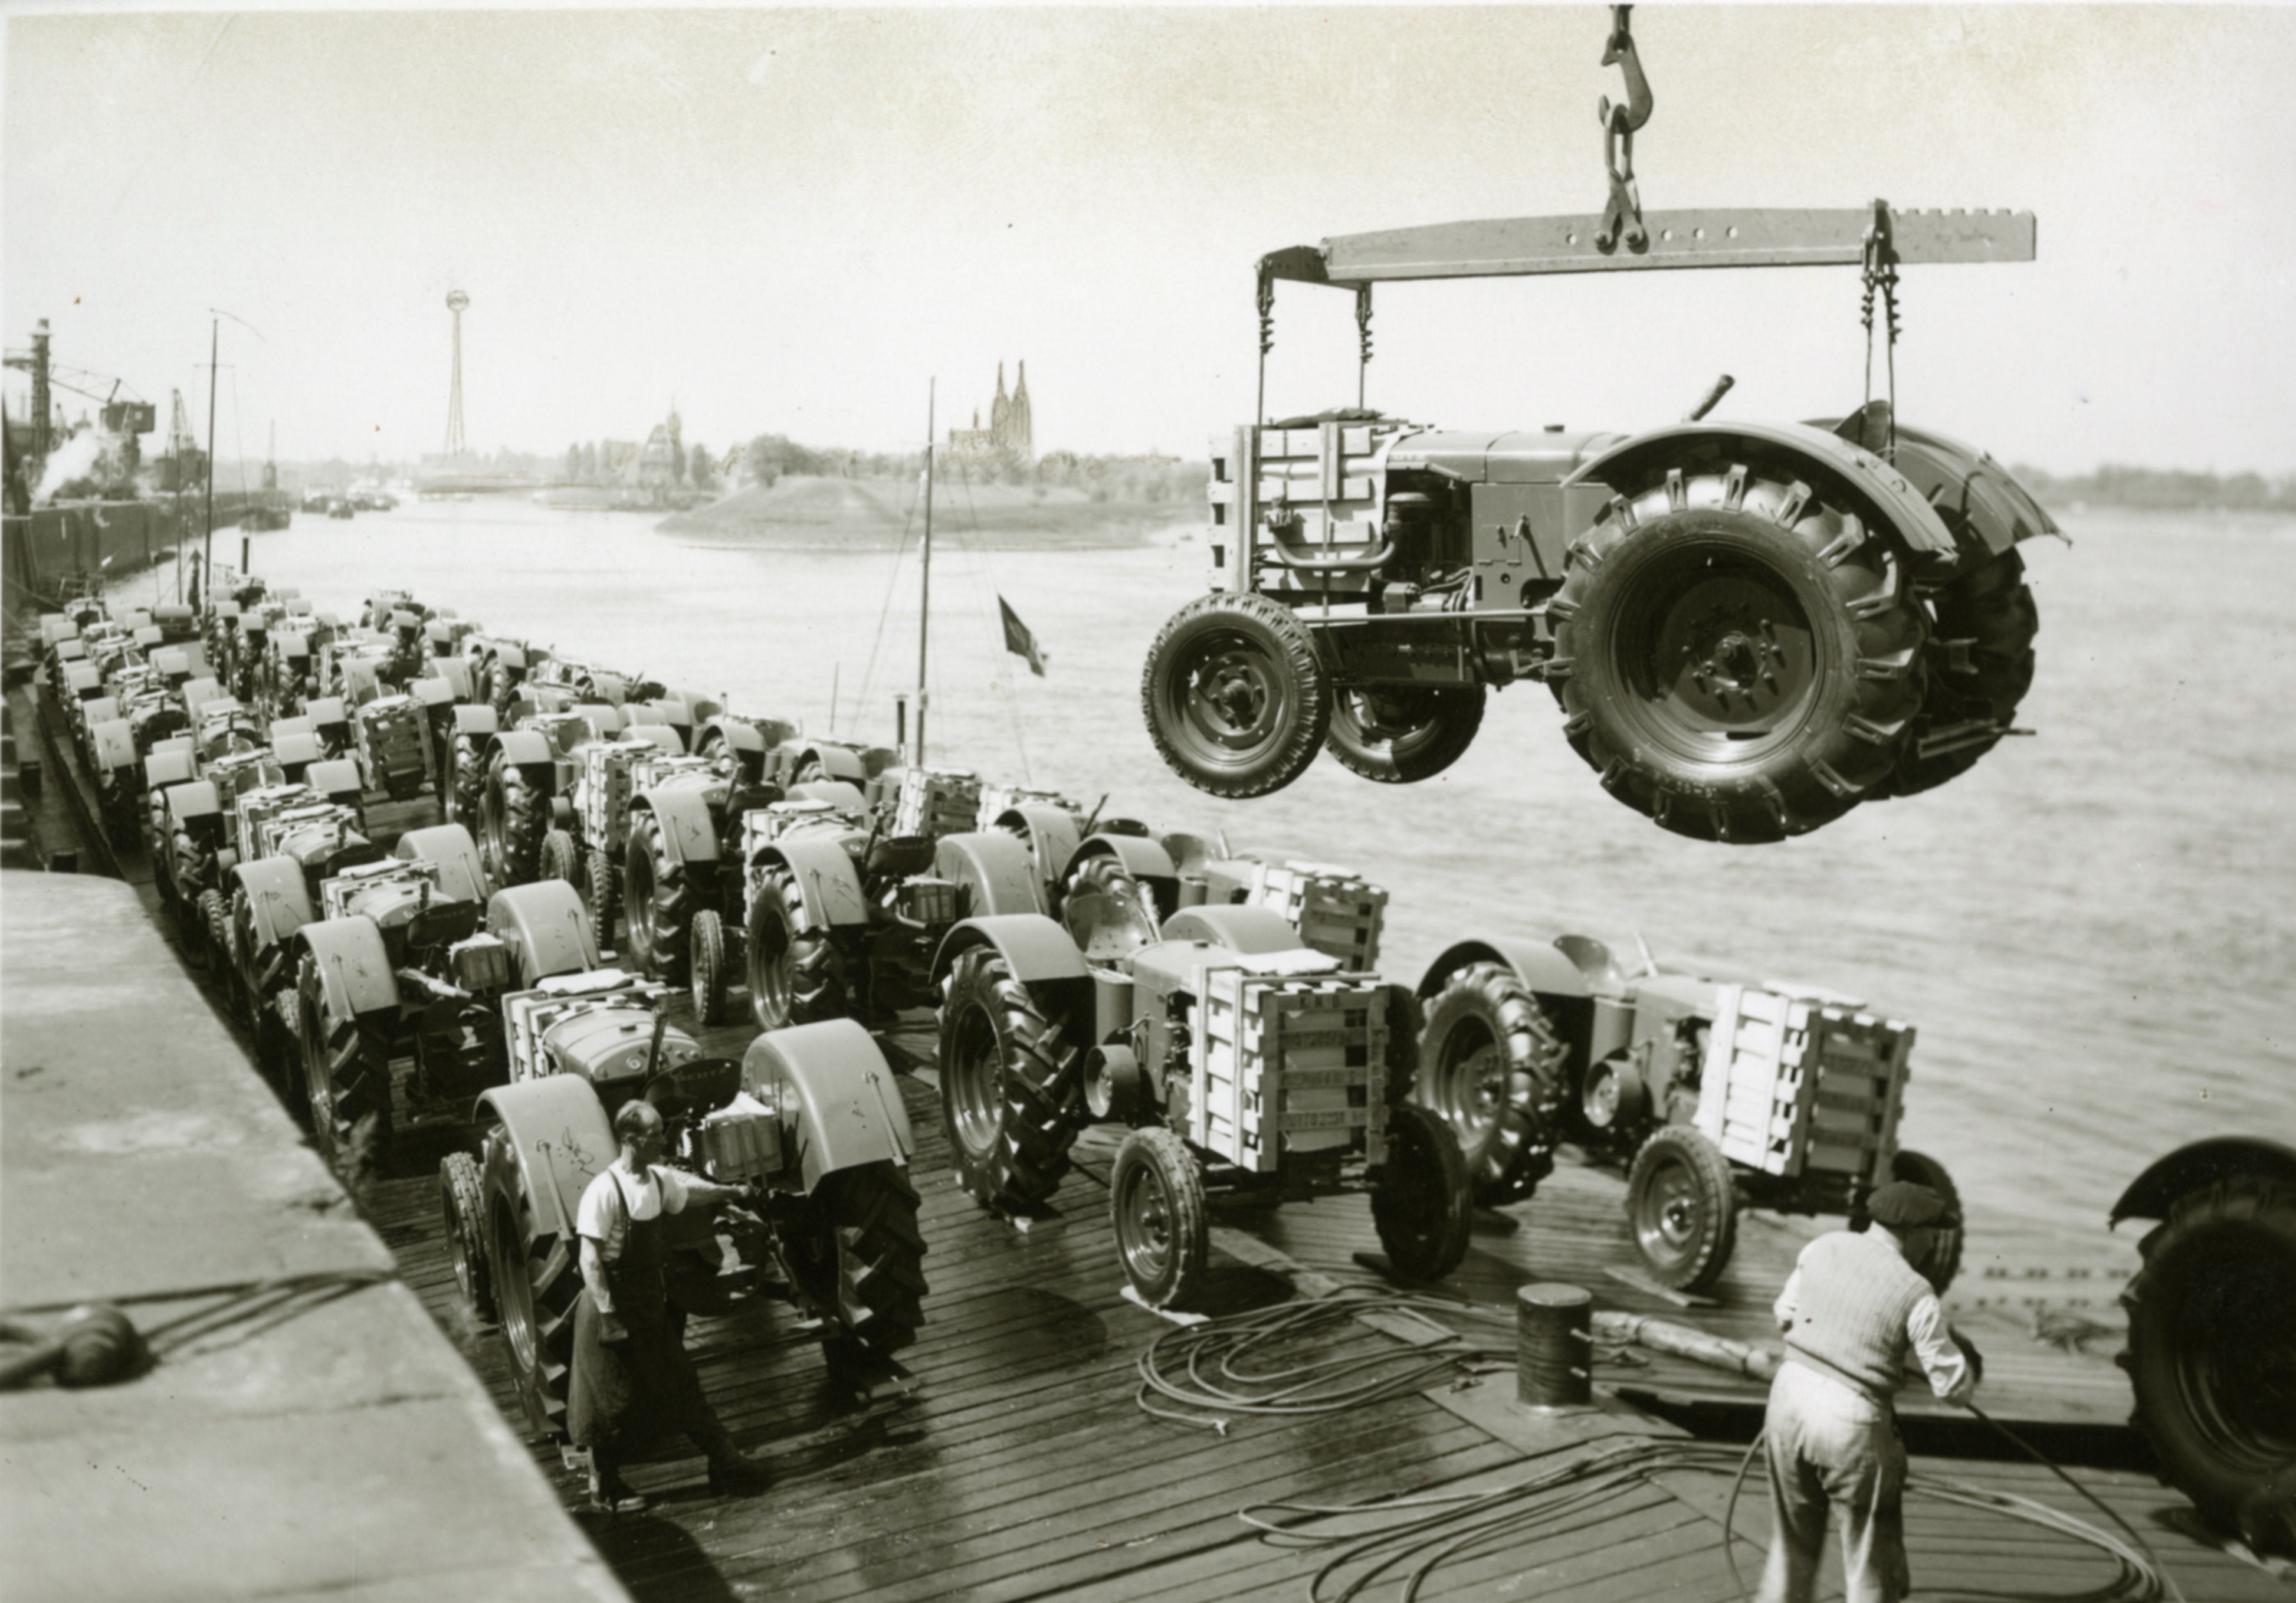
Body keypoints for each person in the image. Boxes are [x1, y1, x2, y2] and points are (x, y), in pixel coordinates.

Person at [1757, 1180, 1982, 1603]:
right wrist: (1964, 1364)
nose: (1933, 1245)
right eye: (1933, 1233)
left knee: (1791, 1548)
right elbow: (1953, 1389)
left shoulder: (1824, 1245)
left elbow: (1784, 1316)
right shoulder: (1917, 1293)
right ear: (1913, 1230)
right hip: (1851, 1421)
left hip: (1789, 1395)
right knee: (1869, 1563)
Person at [570, 1097, 769, 1513]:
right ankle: (603, 1486)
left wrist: (731, 1191)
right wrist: (609, 1316)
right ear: (629, 1139)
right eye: (654, 1132)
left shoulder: (657, 1180)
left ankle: (725, 1460)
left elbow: (691, 1191)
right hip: (610, 1307)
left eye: (662, 1130)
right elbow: (588, 1260)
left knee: (682, 1380)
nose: (663, 1138)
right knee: (611, 1400)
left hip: (647, 1304)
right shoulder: (604, 1191)